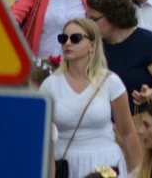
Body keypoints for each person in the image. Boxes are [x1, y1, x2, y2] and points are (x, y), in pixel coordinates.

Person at [40, 18, 141, 177]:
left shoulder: (110, 81)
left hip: (105, 164)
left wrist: (140, 172)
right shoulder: (49, 85)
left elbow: (128, 132)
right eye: (63, 38)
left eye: (75, 38)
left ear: (92, 45)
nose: (67, 43)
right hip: (65, 165)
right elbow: (44, 138)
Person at [85, 0, 152, 109]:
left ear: (113, 17)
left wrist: (151, 94)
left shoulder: (150, 42)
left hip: (142, 121)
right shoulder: (93, 45)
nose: (88, 25)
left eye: (93, 19)